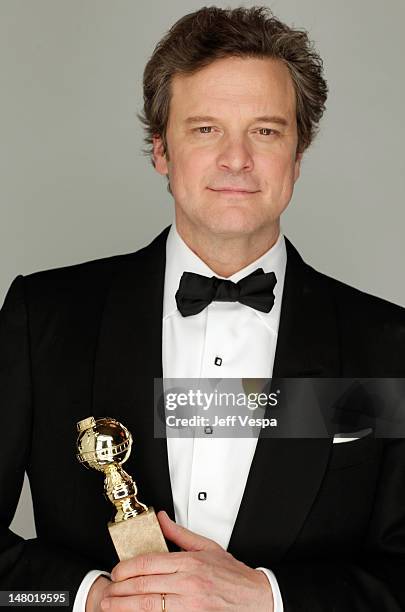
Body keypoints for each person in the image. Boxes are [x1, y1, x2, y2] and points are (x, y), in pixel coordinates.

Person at [1, 6, 404, 611]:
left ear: (298, 153)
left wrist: (269, 597)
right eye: (206, 129)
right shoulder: (45, 319)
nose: (237, 159)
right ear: (161, 149)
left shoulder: (389, 344)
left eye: (266, 130)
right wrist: (83, 599)